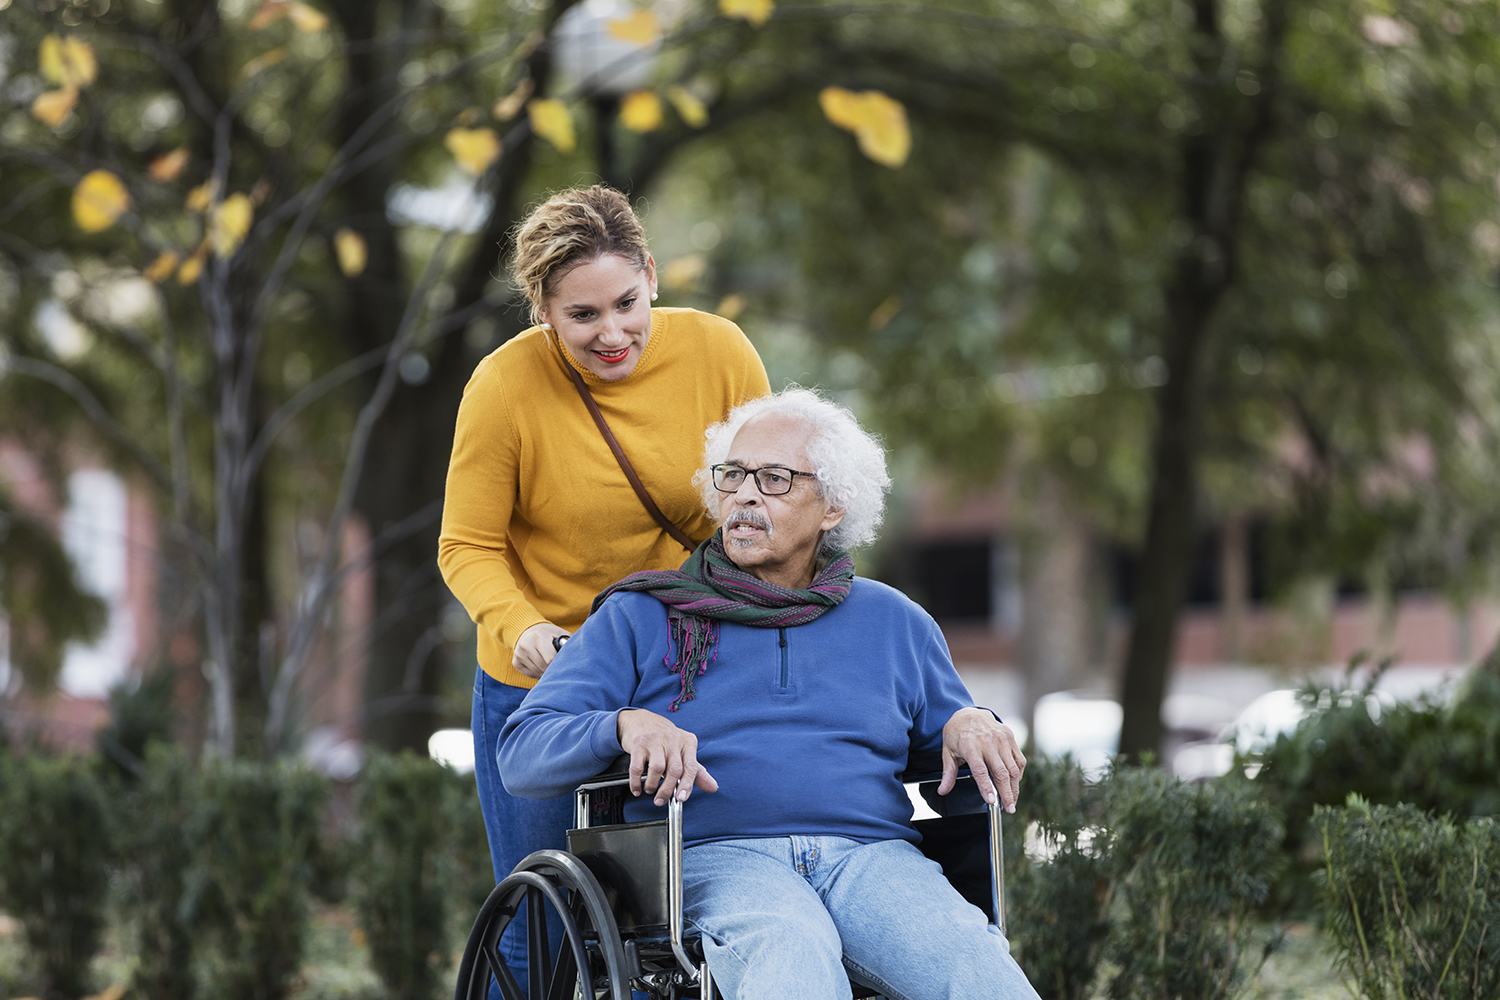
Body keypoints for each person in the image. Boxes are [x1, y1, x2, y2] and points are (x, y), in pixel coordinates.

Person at [498, 388, 1041, 1000]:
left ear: (832, 507)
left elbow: (949, 723)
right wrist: (623, 725)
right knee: (792, 952)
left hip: (872, 860)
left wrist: (970, 719)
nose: (745, 495)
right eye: (733, 476)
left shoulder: (895, 621)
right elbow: (521, 752)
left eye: (776, 479)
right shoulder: (643, 614)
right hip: (715, 859)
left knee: (978, 969)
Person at [438, 184, 771, 986]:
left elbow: (769, 500)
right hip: (543, 676)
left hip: (679, 667)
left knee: (670, 916)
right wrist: (525, 630)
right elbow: (467, 545)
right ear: (542, 312)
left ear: (652, 275)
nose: (613, 332)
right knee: (539, 922)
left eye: (626, 302)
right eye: (582, 316)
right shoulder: (505, 387)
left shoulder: (720, 353)